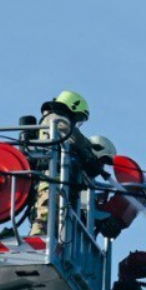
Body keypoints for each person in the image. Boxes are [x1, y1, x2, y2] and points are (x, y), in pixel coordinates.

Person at [29, 91, 104, 236]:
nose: (77, 122)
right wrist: (88, 156)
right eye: (79, 117)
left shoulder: (53, 119)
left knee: (52, 216)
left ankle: (44, 237)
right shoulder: (57, 118)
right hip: (53, 177)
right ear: (73, 107)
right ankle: (39, 239)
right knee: (47, 214)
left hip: (53, 176)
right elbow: (73, 138)